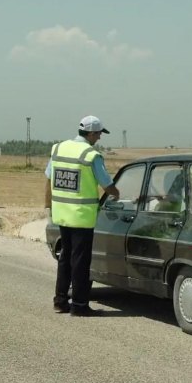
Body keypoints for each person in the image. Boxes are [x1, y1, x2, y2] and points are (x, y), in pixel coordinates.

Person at [45, 115, 120, 316]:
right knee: (80, 261)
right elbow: (107, 184)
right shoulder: (90, 155)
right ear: (91, 133)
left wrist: (48, 206)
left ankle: (60, 301)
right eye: (99, 134)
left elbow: (49, 177)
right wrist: (117, 194)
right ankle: (79, 305)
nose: (99, 138)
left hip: (62, 214)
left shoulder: (58, 149)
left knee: (65, 258)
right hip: (81, 217)